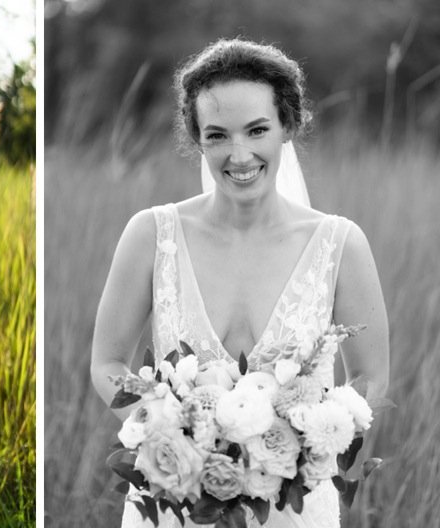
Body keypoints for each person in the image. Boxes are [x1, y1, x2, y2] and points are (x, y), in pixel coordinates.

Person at [90, 39, 389, 528]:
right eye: (217, 135)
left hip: (294, 505)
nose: (239, 154)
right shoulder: (151, 234)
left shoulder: (340, 244)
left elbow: (372, 378)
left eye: (257, 130)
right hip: (177, 503)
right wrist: (169, 436)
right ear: (197, 138)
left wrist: (305, 441)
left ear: (287, 126)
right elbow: (106, 362)